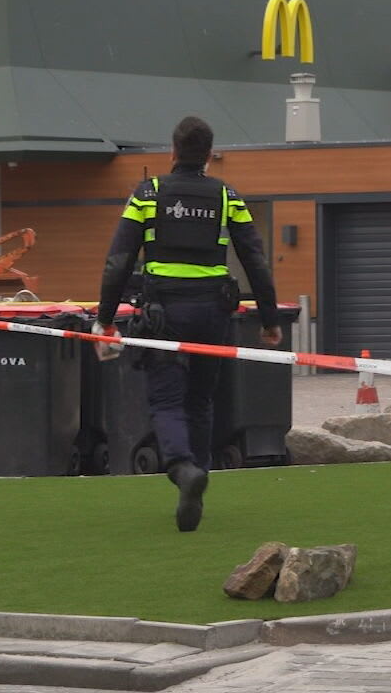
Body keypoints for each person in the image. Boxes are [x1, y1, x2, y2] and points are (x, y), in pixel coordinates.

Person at [96, 116, 280, 531]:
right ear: (209, 156)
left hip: (164, 312)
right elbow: (255, 259)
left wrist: (104, 320)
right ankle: (197, 475)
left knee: (166, 399)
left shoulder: (149, 193)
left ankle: (181, 468)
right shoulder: (227, 196)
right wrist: (269, 318)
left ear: (173, 151)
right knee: (200, 399)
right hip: (214, 311)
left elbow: (119, 261)